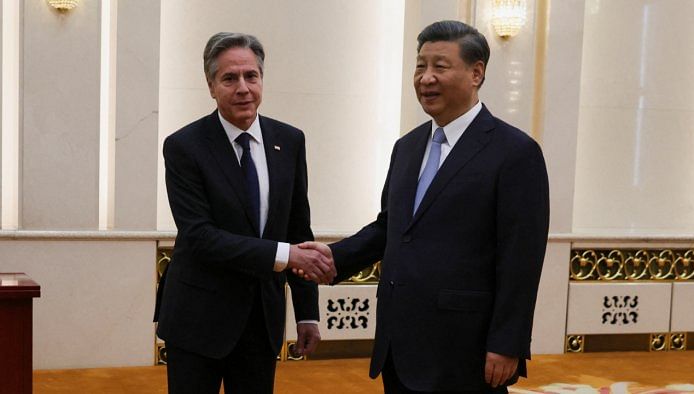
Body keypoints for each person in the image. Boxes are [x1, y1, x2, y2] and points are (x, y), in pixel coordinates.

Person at [299, 20, 549, 393]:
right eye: (420, 66)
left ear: (476, 72)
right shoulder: (408, 147)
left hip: (467, 350)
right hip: (398, 347)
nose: (425, 78)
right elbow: (391, 227)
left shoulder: (515, 152)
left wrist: (507, 343)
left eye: (440, 66)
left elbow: (520, 259)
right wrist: (335, 257)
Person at [154, 32, 336, 394]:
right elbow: (200, 237)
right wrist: (285, 255)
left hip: (260, 320)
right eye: (229, 78)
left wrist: (307, 313)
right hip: (197, 320)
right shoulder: (184, 147)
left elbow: (298, 227)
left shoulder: (291, 141)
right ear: (211, 86)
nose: (243, 88)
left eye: (251, 76)